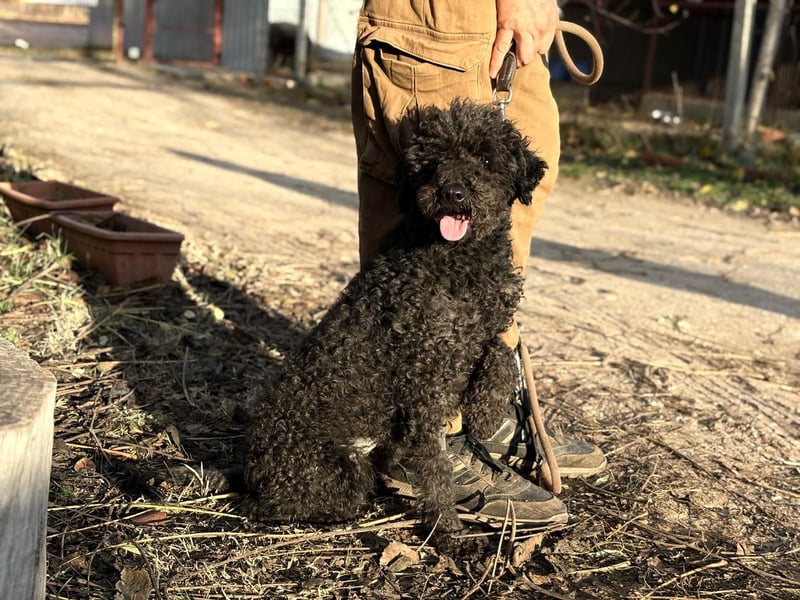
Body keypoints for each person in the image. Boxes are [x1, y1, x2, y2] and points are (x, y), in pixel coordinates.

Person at [350, 0, 606, 525]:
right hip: (442, 19)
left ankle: (483, 411)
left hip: (511, 22)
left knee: (510, 194)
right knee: (425, 229)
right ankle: (422, 440)